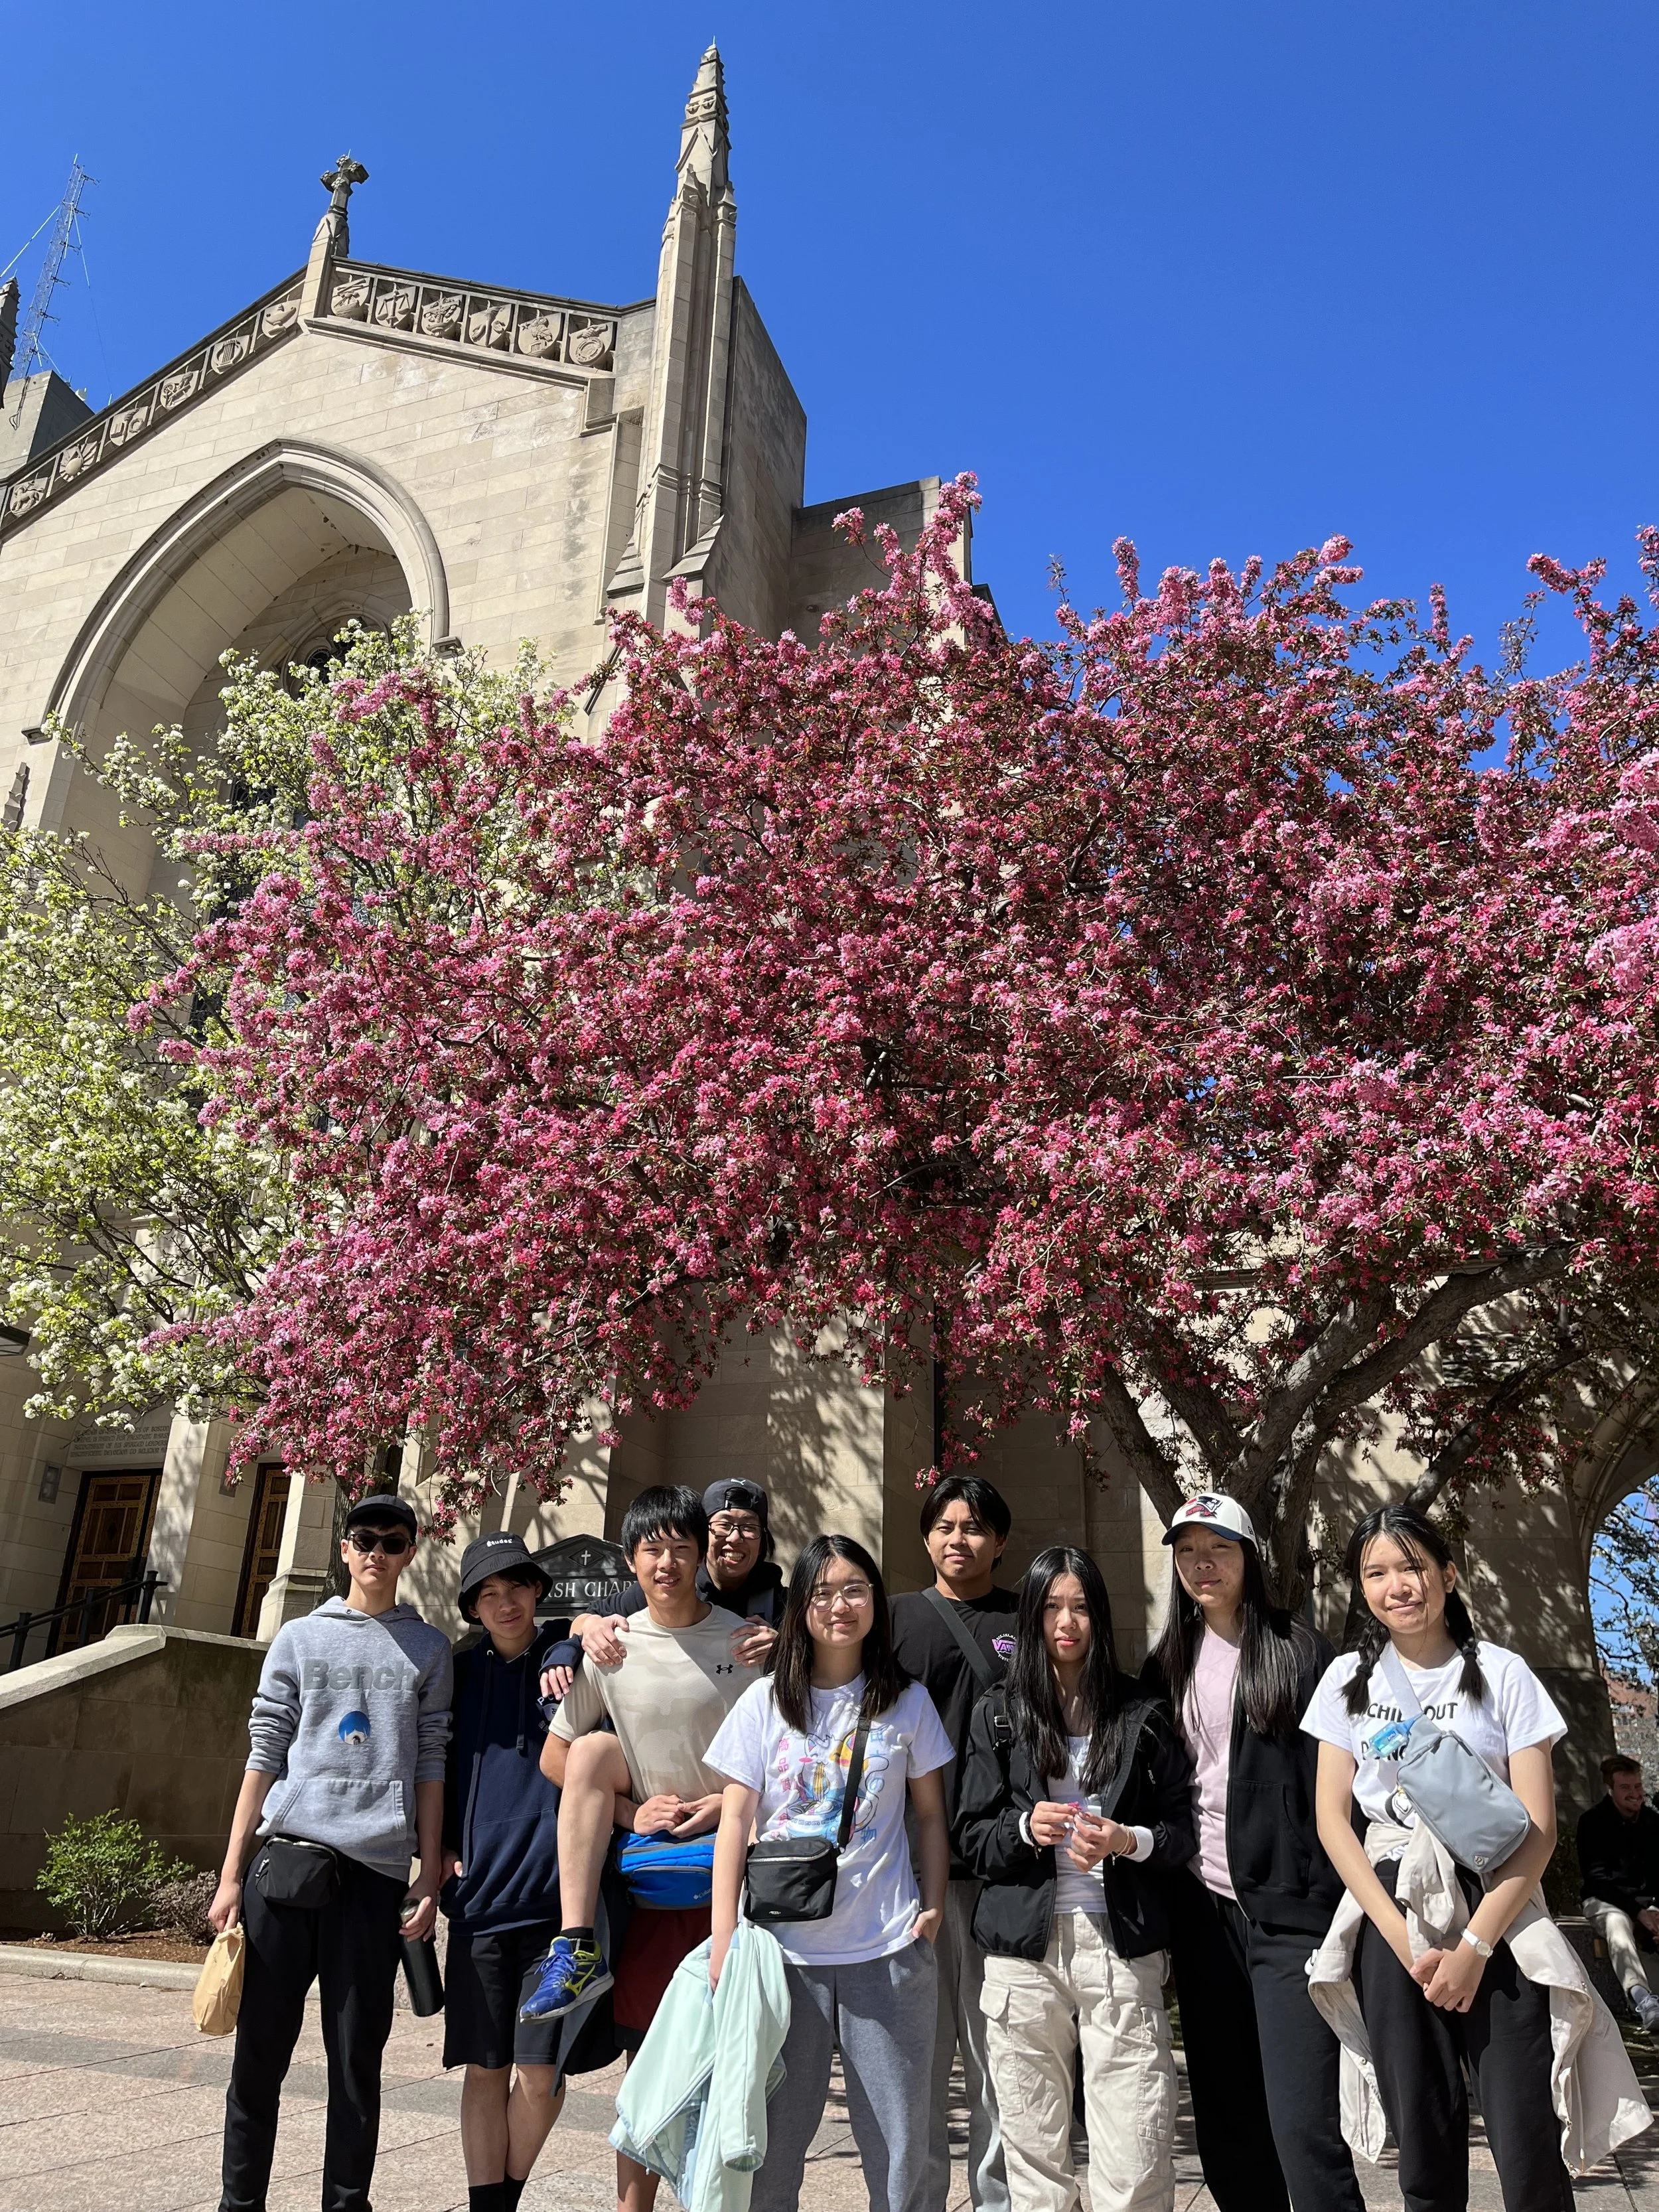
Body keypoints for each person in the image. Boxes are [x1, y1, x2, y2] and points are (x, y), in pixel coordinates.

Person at [1303, 1503, 1576, 2212]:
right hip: (1391, 1908)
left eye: (1414, 1566)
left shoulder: (1504, 1673)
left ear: (1448, 1575)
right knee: (1422, 2143)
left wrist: (1475, 1947)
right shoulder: (1343, 1681)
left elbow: (1538, 1831)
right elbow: (1333, 1821)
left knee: (1526, 2139)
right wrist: (1402, 1944)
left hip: (1499, 1907)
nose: (1398, 1585)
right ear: (1361, 1590)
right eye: (1377, 1573)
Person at [208, 1493, 453, 2212]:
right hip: (285, 1868)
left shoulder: (430, 1649)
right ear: (344, 1549)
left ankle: (347, 2205)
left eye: (393, 1540)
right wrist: (229, 1876)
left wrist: (427, 1873)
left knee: (355, 2065)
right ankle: (238, 2203)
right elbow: (262, 1757)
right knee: (259, 2058)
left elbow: (430, 1764)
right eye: (364, 1539)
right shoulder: (297, 1639)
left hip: (374, 1879)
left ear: (410, 1553)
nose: (376, 1552)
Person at [706, 1532, 952, 2212]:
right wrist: (724, 1935)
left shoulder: (907, 1703)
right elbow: (734, 1822)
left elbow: (929, 1816)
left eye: (854, 1589)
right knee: (770, 2146)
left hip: (888, 1952)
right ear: (798, 1607)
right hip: (782, 1959)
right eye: (822, 1592)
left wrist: (929, 1908)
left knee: (902, 2148)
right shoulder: (763, 1703)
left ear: (874, 1599)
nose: (839, 1605)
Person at [525, 1485, 753, 2212]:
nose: (667, 1561)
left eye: (680, 1546)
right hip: (649, 1886)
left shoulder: (745, 1644)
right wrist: (632, 1811)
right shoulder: (613, 1650)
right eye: (652, 1548)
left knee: (726, 2068)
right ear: (632, 1558)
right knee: (647, 2062)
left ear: (702, 1555)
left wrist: (727, 1801)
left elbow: (784, 1756)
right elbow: (556, 1761)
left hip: (730, 1877)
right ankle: (575, 1945)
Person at [955, 1545, 1195, 2212]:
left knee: (1137, 2139)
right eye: (1052, 1607)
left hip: (1118, 1944)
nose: (1067, 1622)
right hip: (1023, 1954)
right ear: (1030, 1617)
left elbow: (1181, 1831)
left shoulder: (1140, 1711)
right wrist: (1025, 1829)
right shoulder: (997, 1713)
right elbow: (971, 1835)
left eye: (1081, 1606)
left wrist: (1126, 1840)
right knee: (1032, 2148)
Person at [1144, 1494, 1364, 2212]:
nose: (1202, 1566)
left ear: (1250, 1559)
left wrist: (1333, 1902)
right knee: (1227, 2116)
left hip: (1288, 1916)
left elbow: (1338, 1792)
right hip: (1203, 1915)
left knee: (1302, 2122)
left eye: (1219, 1550)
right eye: (1187, 1553)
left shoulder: (1303, 1653)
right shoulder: (1168, 1659)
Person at [889, 1473, 1019, 2212]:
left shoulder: (1027, 1618)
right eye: (943, 1525)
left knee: (996, 2050)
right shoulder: (895, 1617)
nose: (957, 1539)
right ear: (926, 1536)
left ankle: (997, 2198)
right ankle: (918, 2199)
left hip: (1003, 1863)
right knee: (919, 2054)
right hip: (911, 1866)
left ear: (999, 1541)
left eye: (972, 1526)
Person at [441, 1532, 569, 2212]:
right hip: (479, 1903)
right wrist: (429, 1850)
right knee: (485, 2069)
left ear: (536, 1591)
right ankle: (491, 2205)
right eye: (488, 1593)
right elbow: (426, 1767)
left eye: (515, 1586)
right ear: (473, 1607)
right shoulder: (458, 1677)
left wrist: (574, 1641)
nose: (504, 1602)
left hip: (553, 1912)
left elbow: (600, 1627)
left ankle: (505, 2194)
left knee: (541, 2073)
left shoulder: (563, 1659)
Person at [541, 1477, 784, 1699]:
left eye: (749, 1527)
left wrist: (784, 1649)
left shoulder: (781, 1600)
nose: (735, 1538)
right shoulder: (672, 1585)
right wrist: (591, 1628)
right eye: (723, 1525)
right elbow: (589, 1616)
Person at [1577, 1751, 1659, 2039]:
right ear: (1610, 1789)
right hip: (1605, 1901)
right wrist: (1637, 1913)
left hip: (1648, 1904)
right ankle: (1642, 1998)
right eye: (1626, 1788)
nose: (1635, 1794)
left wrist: (1655, 1909)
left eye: (1637, 1786)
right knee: (1616, 1922)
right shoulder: (1592, 1823)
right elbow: (1597, 1881)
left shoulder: (1653, 1823)